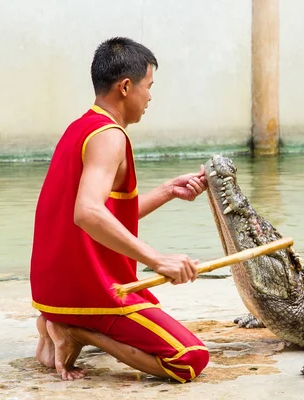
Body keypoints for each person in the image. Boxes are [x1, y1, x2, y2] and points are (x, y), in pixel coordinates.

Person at [30, 37, 209, 383]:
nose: (150, 97)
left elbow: (101, 214)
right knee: (189, 360)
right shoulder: (110, 137)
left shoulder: (81, 127)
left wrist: (168, 191)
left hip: (54, 290)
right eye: (148, 86)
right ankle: (76, 330)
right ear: (126, 87)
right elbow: (87, 213)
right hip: (91, 291)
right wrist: (158, 260)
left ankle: (56, 321)